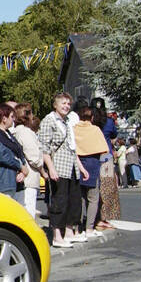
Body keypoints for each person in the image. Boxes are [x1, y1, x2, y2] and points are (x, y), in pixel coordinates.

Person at [38, 93, 87, 249]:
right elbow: (44, 147)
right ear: (55, 105)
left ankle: (69, 231)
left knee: (73, 200)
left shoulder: (66, 121)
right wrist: (50, 168)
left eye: (68, 103)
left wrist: (81, 168)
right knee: (60, 201)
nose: (66, 106)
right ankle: (57, 235)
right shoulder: (49, 120)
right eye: (63, 103)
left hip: (71, 165)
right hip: (59, 166)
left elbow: (72, 147)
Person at [73, 102, 110, 239]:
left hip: (78, 163)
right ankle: (89, 227)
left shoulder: (74, 129)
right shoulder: (95, 130)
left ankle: (78, 227)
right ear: (92, 118)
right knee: (93, 198)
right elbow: (104, 149)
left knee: (80, 198)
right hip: (93, 163)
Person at [0, 104, 29, 203]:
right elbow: (2, 156)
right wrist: (20, 166)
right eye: (12, 117)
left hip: (13, 182)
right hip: (2, 183)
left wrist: (22, 171)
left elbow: (18, 152)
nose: (14, 119)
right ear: (4, 118)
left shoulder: (7, 134)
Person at [11, 104, 45, 219]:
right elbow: (34, 158)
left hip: (21, 178)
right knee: (28, 213)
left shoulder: (15, 132)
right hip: (29, 177)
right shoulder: (25, 132)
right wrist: (43, 170)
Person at [90, 100, 120, 228]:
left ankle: (93, 217)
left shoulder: (90, 122)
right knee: (107, 188)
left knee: (93, 189)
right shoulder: (109, 122)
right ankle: (104, 218)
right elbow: (114, 135)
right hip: (106, 156)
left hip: (92, 155)